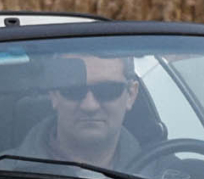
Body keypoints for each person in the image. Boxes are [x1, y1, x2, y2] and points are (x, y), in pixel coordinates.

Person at [11, 53, 143, 169]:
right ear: (53, 95)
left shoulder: (161, 176)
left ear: (131, 94)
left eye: (107, 90)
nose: (90, 106)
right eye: (73, 90)